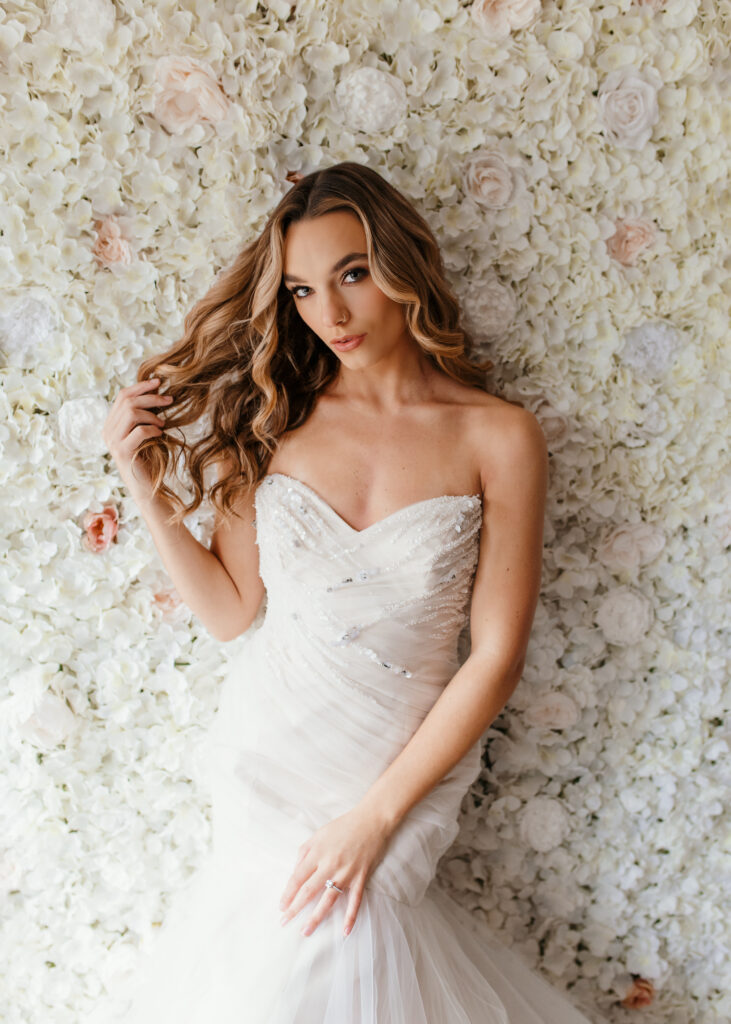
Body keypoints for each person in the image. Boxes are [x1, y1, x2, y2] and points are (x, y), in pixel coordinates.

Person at [95, 162, 601, 1023]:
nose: (329, 314)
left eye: (352, 275)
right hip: (274, 754)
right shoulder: (274, 425)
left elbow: (497, 657)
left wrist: (375, 818)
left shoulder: (498, 435)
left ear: (403, 266)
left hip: (403, 765)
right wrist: (141, 484)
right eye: (300, 290)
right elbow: (229, 614)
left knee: (344, 939)